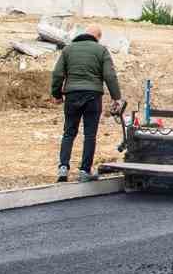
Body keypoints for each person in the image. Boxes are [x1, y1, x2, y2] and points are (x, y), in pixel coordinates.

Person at [50, 22, 122, 182]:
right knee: (90, 134)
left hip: (72, 95)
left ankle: (63, 168)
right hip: (93, 96)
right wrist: (116, 97)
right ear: (98, 37)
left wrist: (56, 94)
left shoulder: (68, 49)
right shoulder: (101, 50)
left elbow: (57, 74)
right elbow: (110, 75)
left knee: (69, 132)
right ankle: (84, 170)